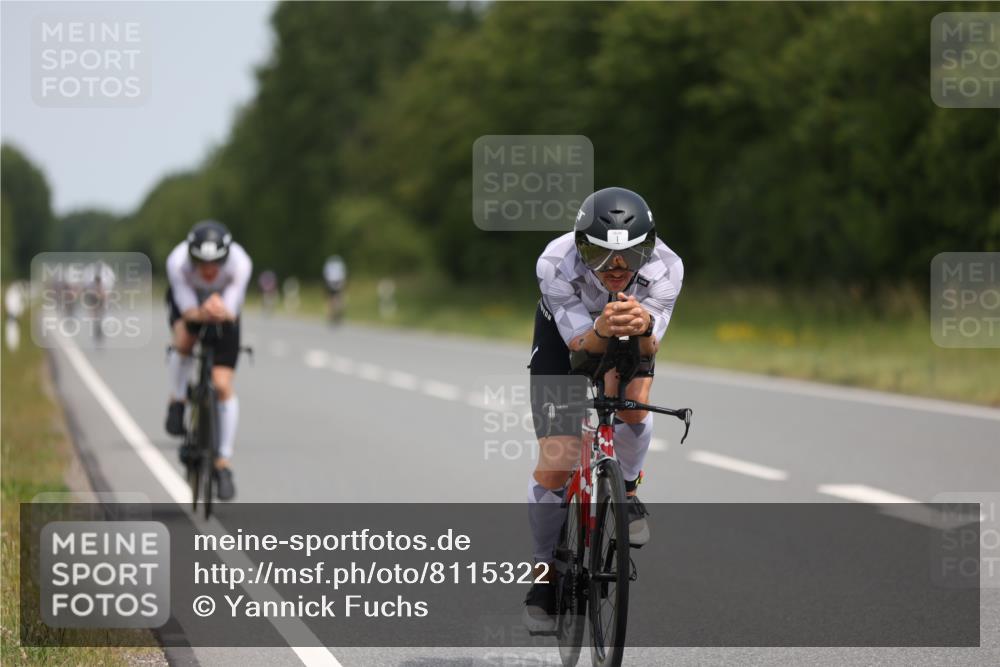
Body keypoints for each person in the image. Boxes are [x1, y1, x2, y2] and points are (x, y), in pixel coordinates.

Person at [523, 187, 684, 633]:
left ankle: (627, 491)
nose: (615, 268)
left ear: (647, 250)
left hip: (633, 328)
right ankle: (543, 573)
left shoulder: (667, 267)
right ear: (580, 246)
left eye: (629, 257)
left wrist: (643, 324)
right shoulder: (554, 262)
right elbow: (580, 347)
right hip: (567, 335)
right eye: (599, 255)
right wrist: (602, 326)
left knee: (634, 406)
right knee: (557, 460)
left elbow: (649, 345)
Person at [164, 220, 252, 501]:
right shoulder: (177, 263)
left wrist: (221, 310)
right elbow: (187, 309)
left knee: (222, 385)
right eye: (201, 263)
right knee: (184, 341)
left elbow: (232, 305)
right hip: (190, 306)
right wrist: (201, 313)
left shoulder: (240, 262)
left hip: (224, 309)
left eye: (215, 264)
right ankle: (177, 399)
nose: (209, 270)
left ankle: (222, 464)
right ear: (191, 257)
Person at [322, 255, 347, 324]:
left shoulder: (329, 264)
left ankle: (329, 315)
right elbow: (343, 275)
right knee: (339, 298)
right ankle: (338, 314)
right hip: (338, 282)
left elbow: (325, 274)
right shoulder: (340, 264)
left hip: (330, 282)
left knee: (330, 299)